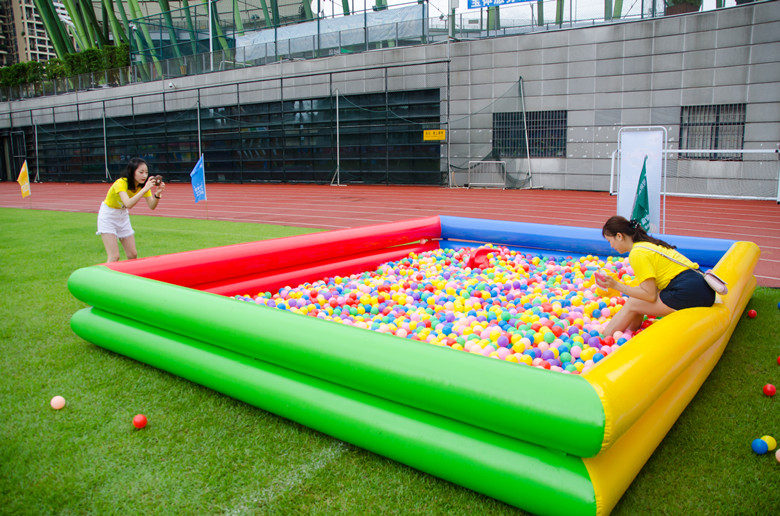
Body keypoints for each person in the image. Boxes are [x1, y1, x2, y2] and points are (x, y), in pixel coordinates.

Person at [596, 215, 715, 337]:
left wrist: (616, 285)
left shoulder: (637, 253)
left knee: (633, 303)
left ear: (619, 236)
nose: (611, 246)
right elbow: (648, 291)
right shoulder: (646, 244)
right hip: (702, 288)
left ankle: (605, 338)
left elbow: (650, 295)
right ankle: (631, 333)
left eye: (610, 241)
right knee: (636, 298)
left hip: (689, 292)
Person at [96, 157, 165, 262]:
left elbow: (152, 206)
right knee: (114, 256)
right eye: (141, 172)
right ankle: (105, 273)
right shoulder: (121, 183)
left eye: (146, 172)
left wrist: (157, 194)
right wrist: (145, 189)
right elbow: (128, 204)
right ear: (131, 171)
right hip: (108, 215)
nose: (144, 176)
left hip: (122, 215)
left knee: (132, 255)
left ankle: (129, 273)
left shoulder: (143, 186)